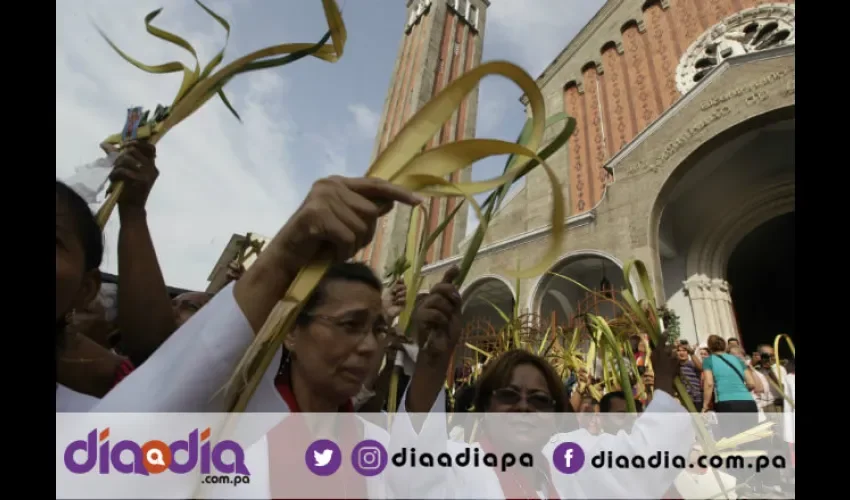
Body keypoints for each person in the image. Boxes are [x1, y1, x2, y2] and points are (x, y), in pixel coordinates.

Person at [58, 174, 423, 498]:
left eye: (378, 329)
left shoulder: (377, 449)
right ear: (291, 331)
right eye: (350, 325)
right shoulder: (226, 432)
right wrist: (282, 257)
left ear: (85, 287)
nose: (369, 346)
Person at [389, 267, 694, 499]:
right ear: (484, 408)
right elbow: (414, 470)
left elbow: (643, 461)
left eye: (539, 400)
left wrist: (664, 381)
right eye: (509, 395)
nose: (524, 407)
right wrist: (433, 360)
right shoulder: (458, 467)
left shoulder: (569, 464)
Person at [701, 335, 759, 439]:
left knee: (732, 440)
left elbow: (709, 384)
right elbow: (751, 383)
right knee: (751, 439)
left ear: (710, 347)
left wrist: (705, 405)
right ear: (724, 346)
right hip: (748, 403)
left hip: (726, 403)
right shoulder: (738, 360)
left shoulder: (708, 361)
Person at [677, 342, 704, 411]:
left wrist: (692, 353)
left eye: (684, 350)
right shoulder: (675, 366)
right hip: (683, 399)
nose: (681, 353)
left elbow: (701, 368)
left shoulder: (692, 364)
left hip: (696, 399)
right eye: (679, 351)